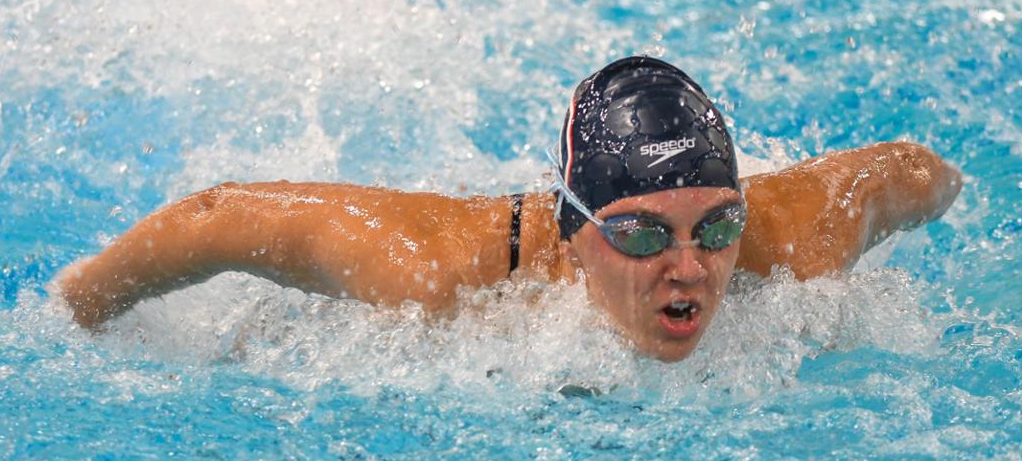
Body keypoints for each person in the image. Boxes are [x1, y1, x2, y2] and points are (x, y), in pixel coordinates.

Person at [55, 56, 962, 362]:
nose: (691, 267)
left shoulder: (795, 242)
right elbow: (223, 216)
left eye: (715, 225)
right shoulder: (438, 271)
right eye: (642, 234)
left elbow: (916, 169)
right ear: (575, 232)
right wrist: (82, 307)